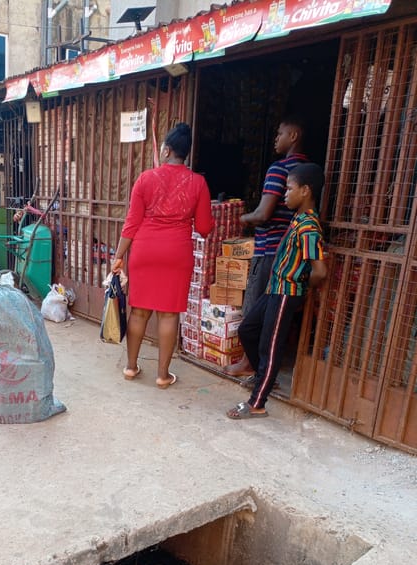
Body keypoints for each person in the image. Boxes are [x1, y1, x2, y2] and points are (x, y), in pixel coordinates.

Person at [111, 123, 213, 388]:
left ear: (166, 150)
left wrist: (118, 257)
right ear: (185, 154)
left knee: (139, 311)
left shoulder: (145, 179)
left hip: (144, 250)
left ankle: (131, 367)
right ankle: (163, 375)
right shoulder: (198, 183)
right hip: (176, 253)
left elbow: (131, 223)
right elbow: (203, 228)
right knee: (169, 314)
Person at [226, 163, 327, 419]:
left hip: (286, 292)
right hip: (275, 289)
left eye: (289, 189)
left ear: (305, 190)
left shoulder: (309, 227)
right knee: (248, 329)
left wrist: (301, 292)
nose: (285, 194)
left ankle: (256, 403)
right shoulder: (299, 219)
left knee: (269, 347)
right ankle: (263, 377)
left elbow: (320, 271)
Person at [225, 116, 309, 378]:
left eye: (280, 134)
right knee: (276, 313)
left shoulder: (278, 169)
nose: (275, 139)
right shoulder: (309, 171)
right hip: (292, 254)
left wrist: (241, 218)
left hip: (269, 249)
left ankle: (249, 363)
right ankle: (264, 363)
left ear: (293, 136)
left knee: (253, 312)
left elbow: (263, 214)